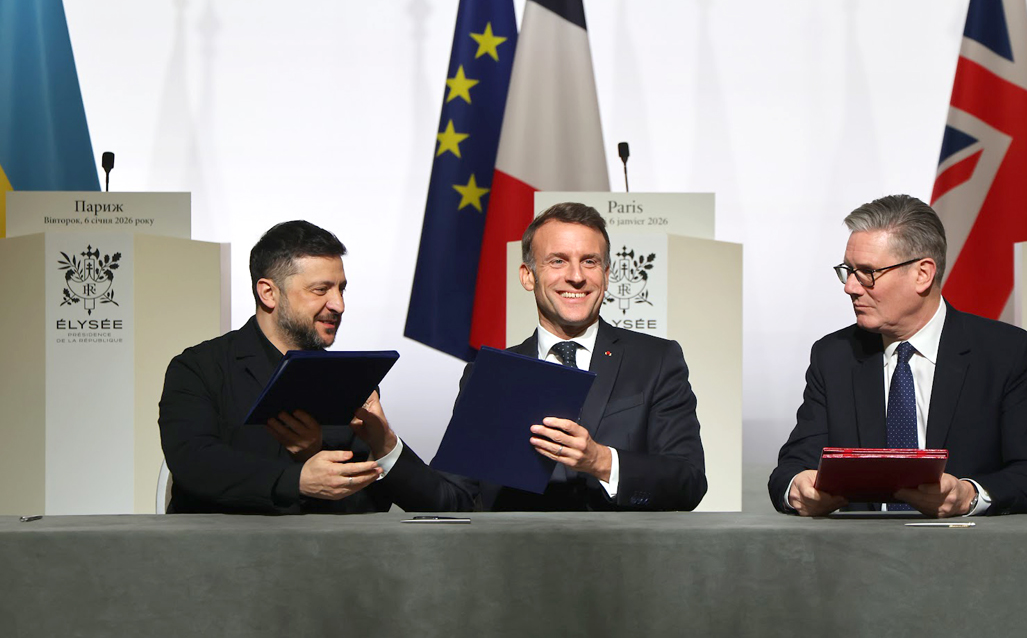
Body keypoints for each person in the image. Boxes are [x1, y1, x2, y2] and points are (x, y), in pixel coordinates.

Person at [769, 195, 1027, 517]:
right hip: (860, 544)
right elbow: (791, 468)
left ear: (923, 274)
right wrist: (798, 488)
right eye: (848, 271)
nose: (850, 287)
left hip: (967, 543)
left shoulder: (1005, 353)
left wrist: (969, 496)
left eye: (867, 272)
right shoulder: (834, 356)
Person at [158, 220, 470, 514]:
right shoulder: (199, 368)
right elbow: (194, 463)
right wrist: (297, 479)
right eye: (321, 290)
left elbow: (370, 505)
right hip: (216, 549)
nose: (339, 305)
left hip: (324, 552)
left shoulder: (349, 381)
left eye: (341, 289)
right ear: (268, 293)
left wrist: (359, 447)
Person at [460, 201, 708, 510]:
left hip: (620, 542)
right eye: (558, 261)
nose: (576, 276)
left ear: (606, 275)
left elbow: (689, 481)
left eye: (589, 262)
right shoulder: (490, 374)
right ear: (528, 276)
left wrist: (601, 461)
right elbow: (454, 496)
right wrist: (399, 454)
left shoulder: (657, 361)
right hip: (516, 541)